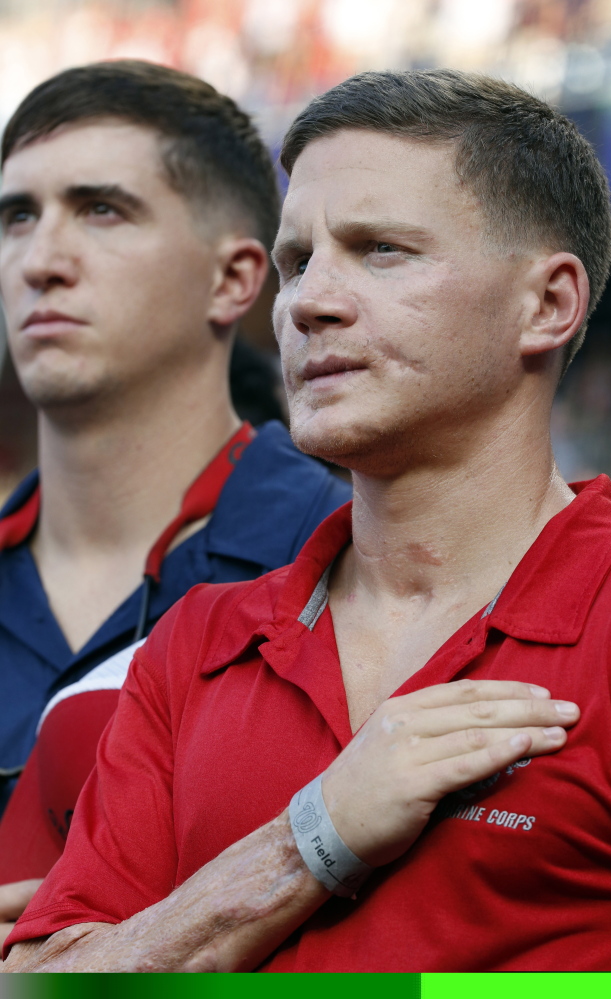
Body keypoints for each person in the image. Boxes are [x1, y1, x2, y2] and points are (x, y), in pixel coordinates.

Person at [4, 68, 611, 974]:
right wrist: (310, 840)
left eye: (382, 249)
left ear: (547, 304)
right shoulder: (193, 647)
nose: (308, 302)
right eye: (296, 261)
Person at [0, 61, 350, 938]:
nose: (41, 261)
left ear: (234, 279)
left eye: (101, 209)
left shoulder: (352, 558)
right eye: (16, 217)